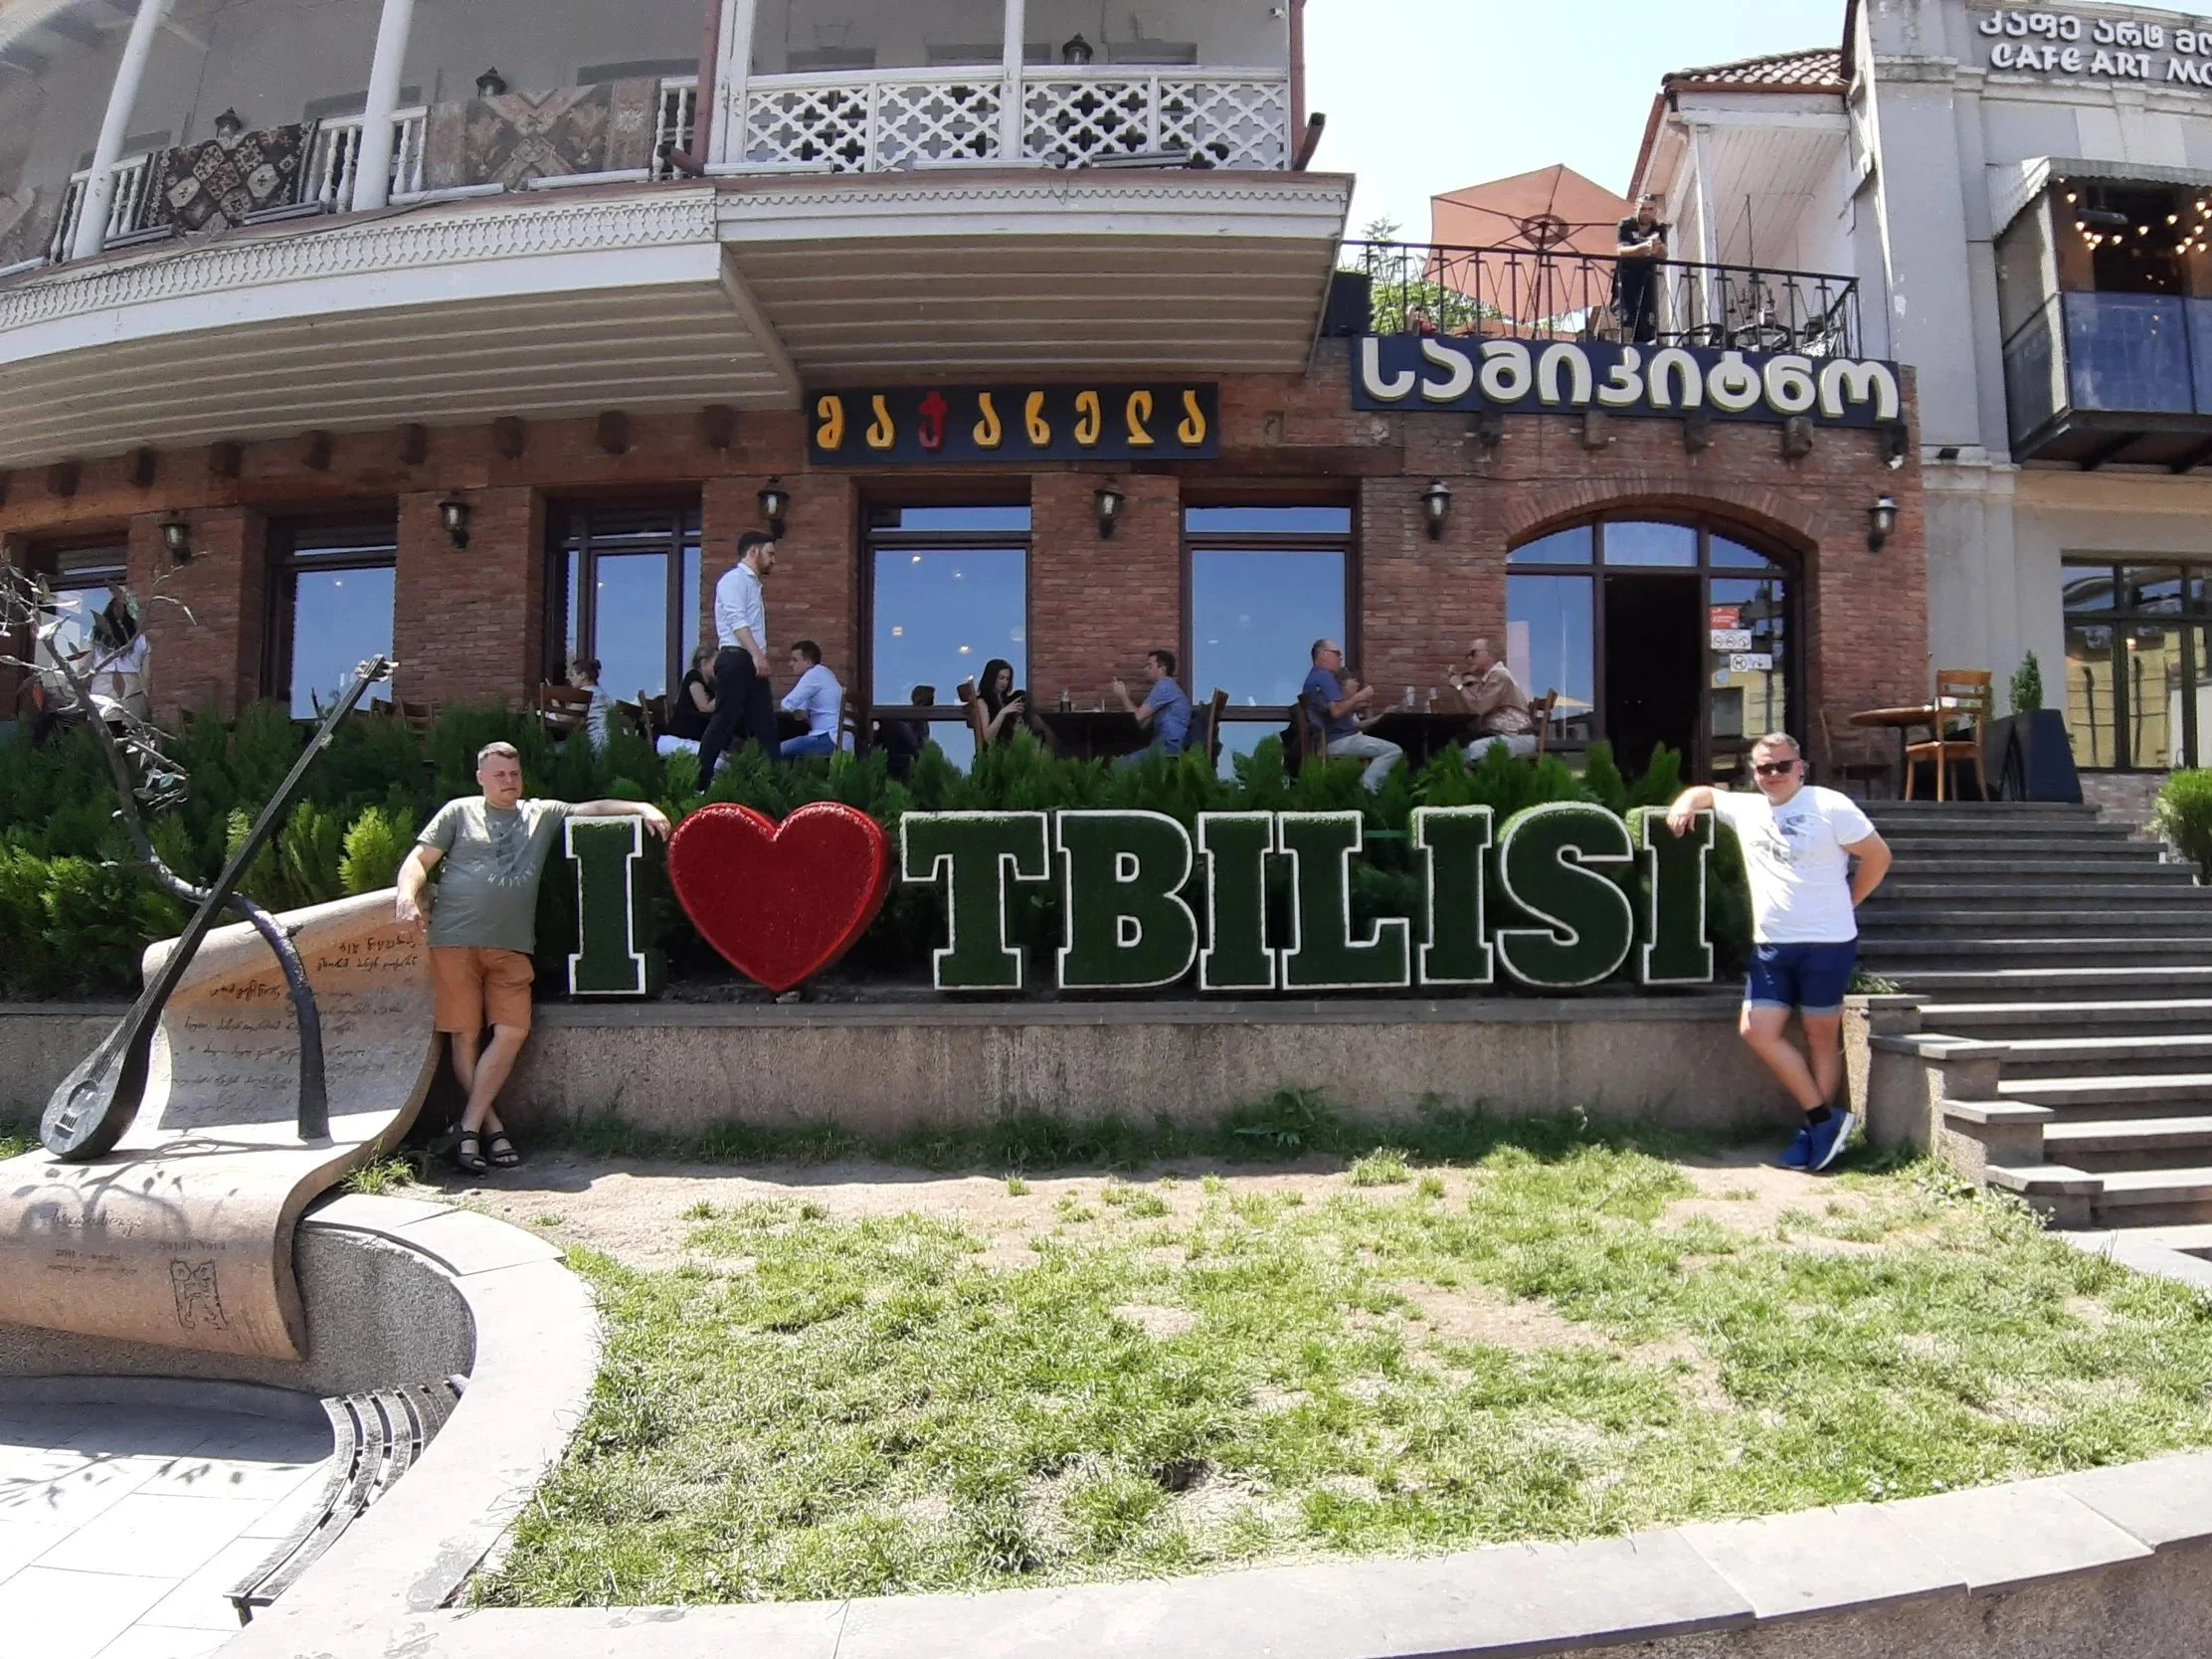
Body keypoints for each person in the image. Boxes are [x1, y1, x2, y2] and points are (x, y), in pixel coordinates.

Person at [396, 742, 670, 1175]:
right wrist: (406, 896)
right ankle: (491, 1128)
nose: (509, 781)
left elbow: (590, 808)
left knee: (511, 1031)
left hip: (511, 945)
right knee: (465, 1035)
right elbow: (419, 859)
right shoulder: (458, 812)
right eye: (500, 774)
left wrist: (640, 805)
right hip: (454, 940)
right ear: (480, 777)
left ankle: (469, 1126)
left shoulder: (538, 813)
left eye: (514, 773)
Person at [1666, 733, 1893, 1174]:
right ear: (1754, 773)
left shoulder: (1830, 806)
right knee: (1756, 1030)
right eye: (1763, 768)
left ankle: (1815, 1132)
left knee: (1819, 1036)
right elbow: (1707, 792)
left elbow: (1878, 856)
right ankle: (1825, 1121)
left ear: (1800, 767)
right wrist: (1684, 803)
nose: (1772, 775)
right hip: (1772, 944)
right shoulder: (1748, 808)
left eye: (1781, 766)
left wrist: (1850, 901)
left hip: (1828, 942)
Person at [696, 531, 779, 779]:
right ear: (753, 552)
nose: (774, 560)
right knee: (724, 720)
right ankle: (698, 780)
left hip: (749, 660)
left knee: (766, 725)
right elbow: (737, 620)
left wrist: (757, 657)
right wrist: (757, 655)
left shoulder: (752, 584)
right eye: (770, 553)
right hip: (736, 658)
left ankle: (778, 786)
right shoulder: (733, 580)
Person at [1302, 639, 1400, 792]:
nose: (1340, 658)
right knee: (1393, 751)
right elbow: (1336, 712)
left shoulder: (1313, 679)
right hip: (1337, 742)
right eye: (1337, 654)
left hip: (1331, 741)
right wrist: (1359, 697)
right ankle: (1366, 789)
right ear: (1324, 655)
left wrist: (1380, 715)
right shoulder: (1325, 677)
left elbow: (1339, 718)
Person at [1451, 637, 1537, 763]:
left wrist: (1459, 686)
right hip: (1506, 735)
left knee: (1467, 753)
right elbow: (1470, 710)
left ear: (1489, 654)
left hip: (1516, 737)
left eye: (1473, 653)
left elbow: (1478, 707)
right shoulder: (1490, 679)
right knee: (1458, 745)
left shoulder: (1500, 677)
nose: (1469, 658)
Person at [1111, 648, 1191, 764]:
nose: (1145, 669)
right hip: (1165, 745)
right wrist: (1126, 698)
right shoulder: (1166, 688)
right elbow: (1141, 724)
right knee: (1120, 761)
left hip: (1168, 748)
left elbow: (1137, 718)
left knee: (1117, 766)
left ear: (1162, 669)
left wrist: (1123, 696)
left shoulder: (1164, 687)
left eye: (1149, 666)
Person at [1613, 192, 1669, 345]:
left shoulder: (1659, 228)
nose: (1646, 212)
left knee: (1647, 321)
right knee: (1627, 319)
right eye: (1643, 208)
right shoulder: (1626, 224)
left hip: (1648, 278)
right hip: (1626, 277)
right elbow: (1621, 251)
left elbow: (1663, 255)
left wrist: (1658, 246)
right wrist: (1645, 247)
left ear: (1655, 211)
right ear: (1636, 208)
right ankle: (1624, 351)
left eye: (1651, 209)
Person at [780, 640, 844, 759]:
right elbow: (801, 712)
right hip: (839, 739)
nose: (790, 664)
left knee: (774, 751)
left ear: (808, 662)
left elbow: (787, 704)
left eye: (795, 660)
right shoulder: (824, 674)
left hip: (827, 738)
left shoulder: (813, 675)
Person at [655, 646, 716, 758]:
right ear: (704, 662)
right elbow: (704, 708)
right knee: (718, 761)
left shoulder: (711, 689)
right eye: (716, 662)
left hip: (688, 742)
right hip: (674, 740)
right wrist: (726, 694)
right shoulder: (693, 677)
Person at [876, 684, 934, 781]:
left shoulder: (919, 720)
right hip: (905, 762)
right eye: (930, 702)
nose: (933, 706)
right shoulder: (914, 718)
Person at [972, 657, 1024, 748]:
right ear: (992, 678)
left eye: (1007, 679)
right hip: (997, 753)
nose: (1005, 682)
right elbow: (988, 737)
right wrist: (1002, 713)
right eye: (1001, 678)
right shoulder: (983, 702)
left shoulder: (1007, 700)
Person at [569, 656, 613, 753]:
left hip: (595, 742)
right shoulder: (601, 693)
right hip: (611, 740)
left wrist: (553, 699)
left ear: (583, 675)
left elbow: (565, 718)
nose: (570, 679)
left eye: (572, 675)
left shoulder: (584, 694)